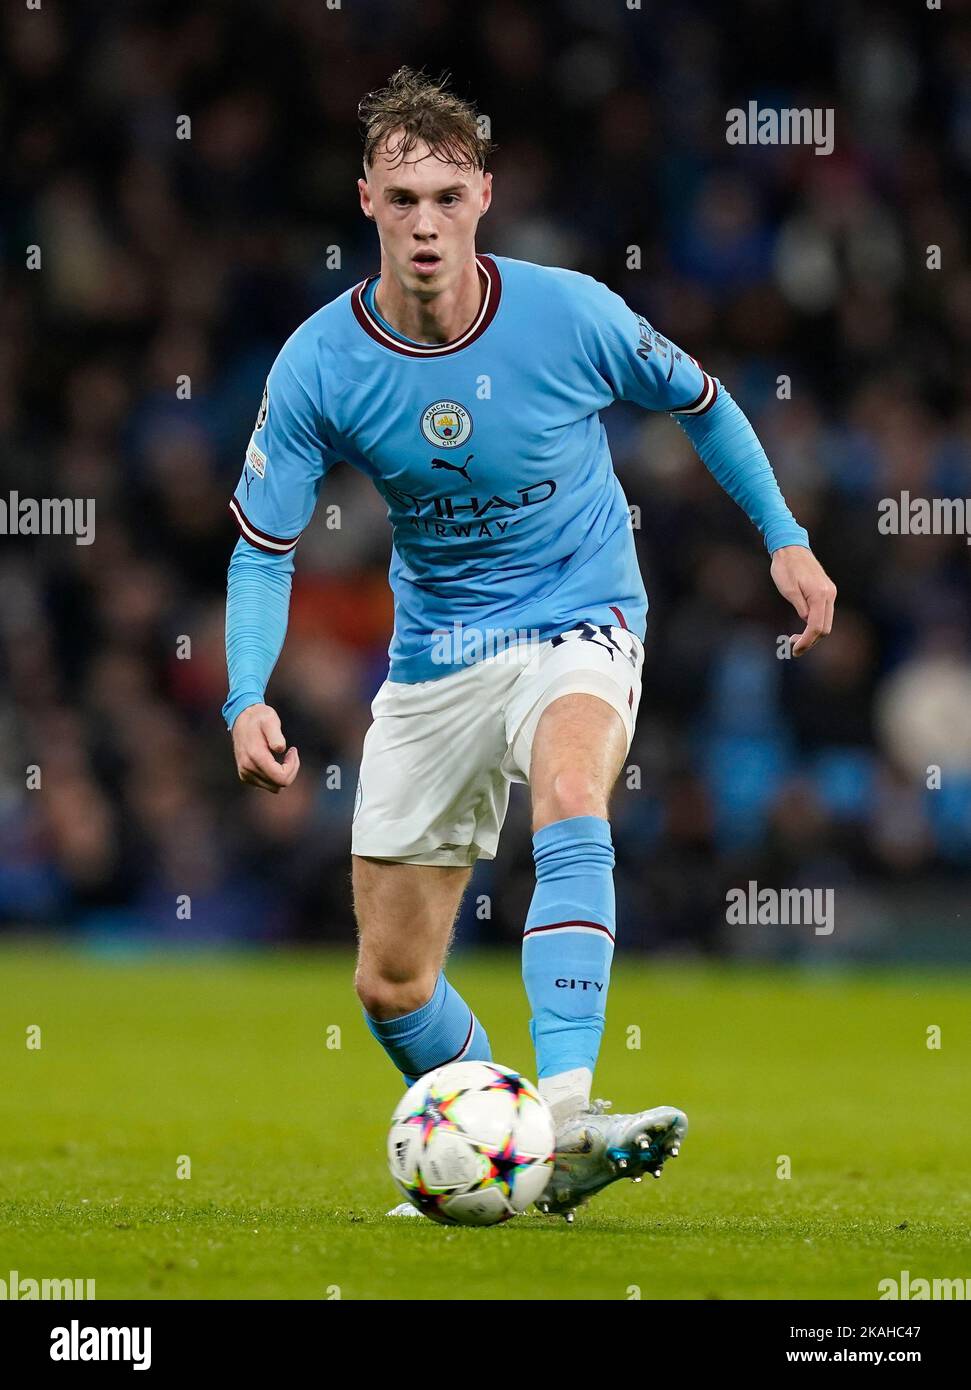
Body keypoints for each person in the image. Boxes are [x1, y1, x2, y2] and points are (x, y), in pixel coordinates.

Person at [223, 67, 836, 1220]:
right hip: (435, 652)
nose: (424, 223)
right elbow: (263, 546)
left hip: (579, 611)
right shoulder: (318, 363)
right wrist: (243, 694)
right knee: (391, 982)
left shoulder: (572, 314)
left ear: (484, 197)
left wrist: (783, 537)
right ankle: (520, 1161)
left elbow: (700, 399)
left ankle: (563, 1110)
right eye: (401, 197)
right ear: (365, 200)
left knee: (567, 789)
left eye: (447, 197)